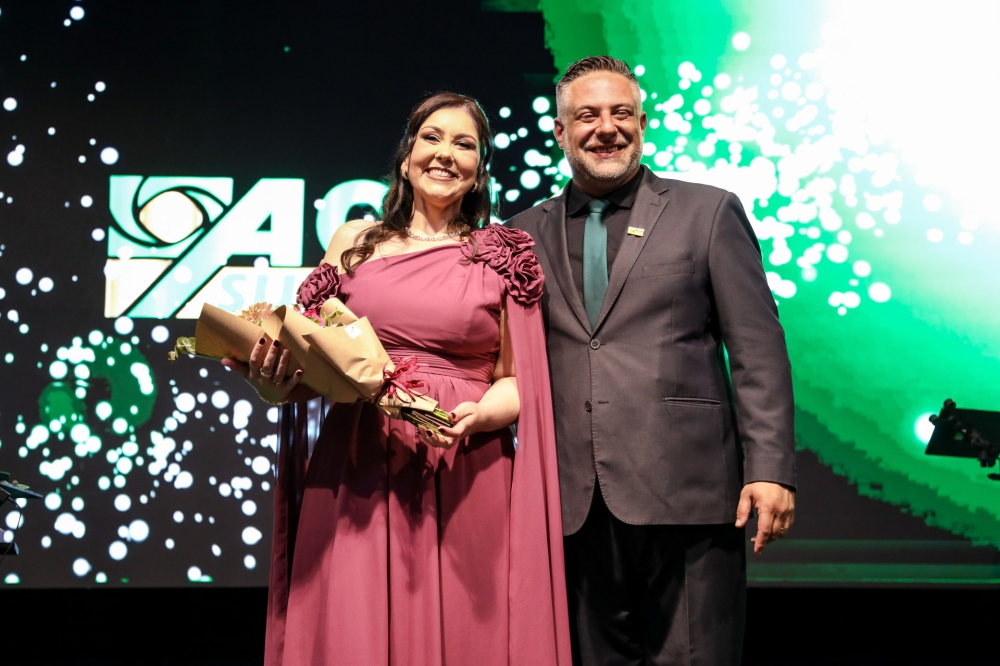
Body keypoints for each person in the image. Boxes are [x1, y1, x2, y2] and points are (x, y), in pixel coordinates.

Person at [223, 93, 572, 666]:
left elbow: (518, 381)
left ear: (480, 168)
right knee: (352, 631)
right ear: (407, 158)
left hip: (465, 467)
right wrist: (269, 381)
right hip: (356, 463)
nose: (445, 153)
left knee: (466, 633)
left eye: (464, 144)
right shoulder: (354, 243)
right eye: (431, 137)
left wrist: (477, 416)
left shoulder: (505, 255)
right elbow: (310, 364)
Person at [509, 56, 797, 666]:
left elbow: (758, 350)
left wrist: (770, 468)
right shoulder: (518, 235)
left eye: (622, 113)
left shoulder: (708, 211)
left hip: (688, 494)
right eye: (587, 115)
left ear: (643, 123)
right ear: (560, 132)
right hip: (571, 503)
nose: (606, 128)